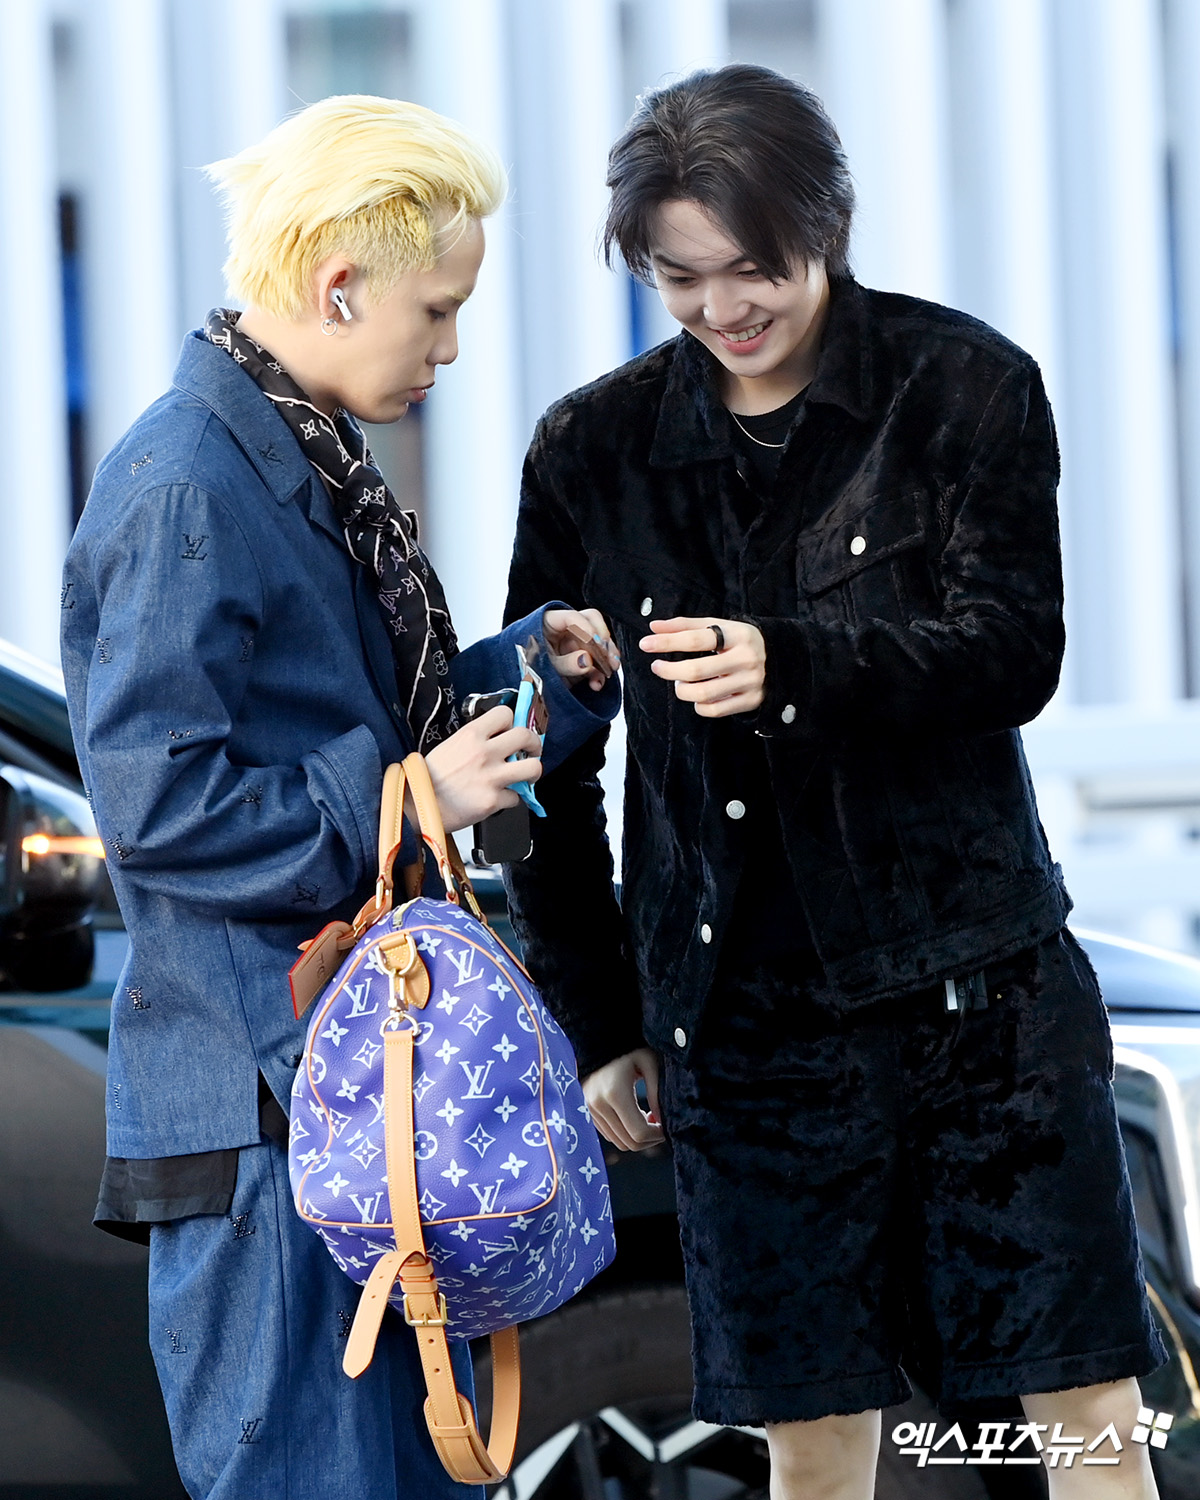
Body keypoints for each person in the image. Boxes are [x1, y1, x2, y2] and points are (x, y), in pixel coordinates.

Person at [502, 64, 1164, 1500]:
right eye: (680, 278)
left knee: (1087, 1414)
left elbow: (1017, 650)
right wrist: (599, 1021)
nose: (721, 308)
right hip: (742, 1025)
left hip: (979, 998)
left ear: (826, 226)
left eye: (753, 268)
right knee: (808, 1443)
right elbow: (534, 764)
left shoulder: (966, 388)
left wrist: (795, 665)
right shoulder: (593, 449)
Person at [59, 94, 618, 1500]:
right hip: (265, 1121)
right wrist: (410, 790)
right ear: (340, 283)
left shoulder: (297, 452)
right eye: (437, 310)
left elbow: (361, 725)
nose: (449, 348)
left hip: (356, 1107)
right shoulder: (188, 483)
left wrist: (534, 680)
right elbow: (159, 813)